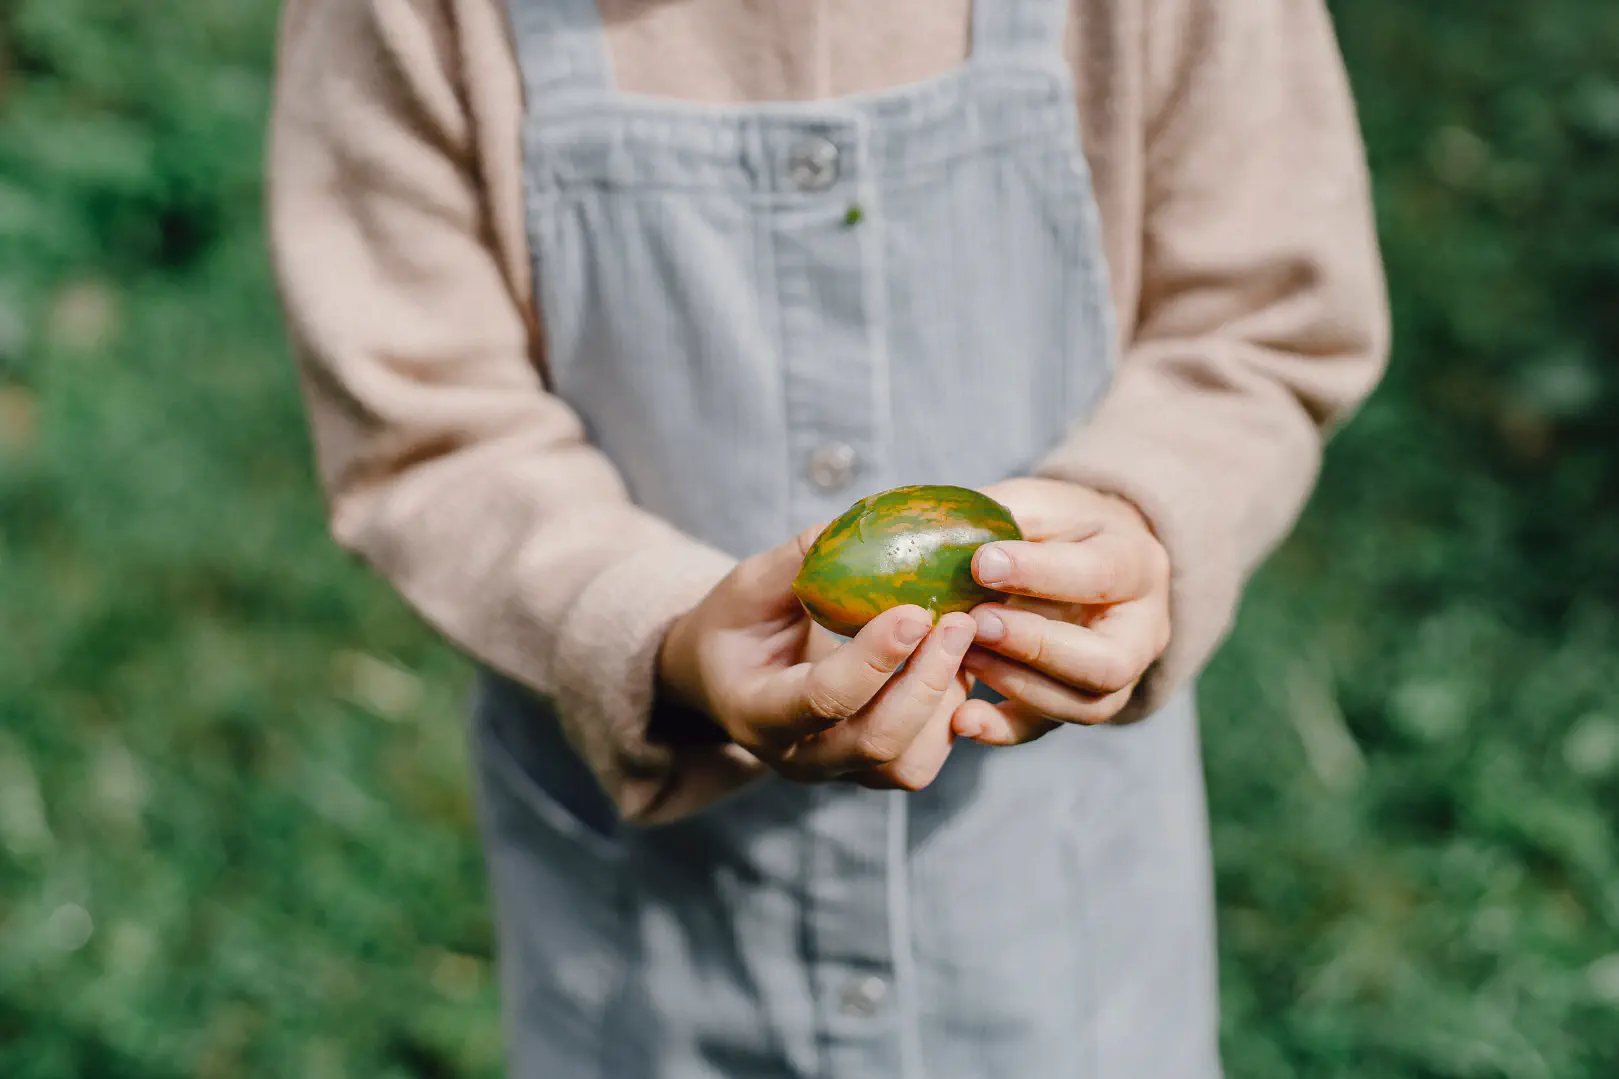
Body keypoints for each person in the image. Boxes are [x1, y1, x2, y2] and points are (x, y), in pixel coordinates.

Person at [268, 1, 1389, 1075]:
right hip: (657, 958)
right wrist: (643, 629)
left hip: (1047, 913)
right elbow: (426, 417)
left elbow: (1260, 318)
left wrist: (1142, 513)